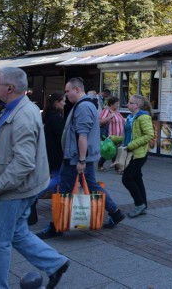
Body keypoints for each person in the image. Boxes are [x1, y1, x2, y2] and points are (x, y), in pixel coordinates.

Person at [0, 67, 70, 288]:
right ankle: (55, 263)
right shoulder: (18, 108)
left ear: (9, 88)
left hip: (15, 189)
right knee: (17, 232)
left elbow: (24, 162)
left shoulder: (23, 114)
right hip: (22, 186)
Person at [38, 78, 125, 239]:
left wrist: (81, 160)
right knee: (91, 185)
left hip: (75, 158)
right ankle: (115, 212)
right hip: (79, 157)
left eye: (67, 90)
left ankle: (57, 226)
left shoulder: (83, 107)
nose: (66, 94)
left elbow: (82, 135)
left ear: (77, 89)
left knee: (65, 189)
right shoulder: (84, 105)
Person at [111, 94, 153, 218]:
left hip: (138, 154)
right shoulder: (130, 117)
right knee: (137, 178)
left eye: (130, 102)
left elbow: (149, 135)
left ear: (137, 105)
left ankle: (139, 204)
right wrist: (113, 138)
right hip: (130, 153)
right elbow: (127, 137)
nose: (128, 104)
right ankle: (143, 205)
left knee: (127, 178)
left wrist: (131, 146)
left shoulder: (143, 117)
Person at [28, 92, 66, 226]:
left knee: (58, 178)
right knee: (58, 178)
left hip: (51, 153)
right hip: (56, 154)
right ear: (57, 102)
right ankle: (34, 196)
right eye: (63, 101)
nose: (64, 103)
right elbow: (62, 138)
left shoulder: (49, 116)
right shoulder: (56, 118)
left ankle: (59, 203)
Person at [97, 96, 125, 172]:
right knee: (112, 151)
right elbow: (100, 121)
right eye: (116, 104)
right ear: (111, 104)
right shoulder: (107, 111)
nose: (118, 105)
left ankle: (100, 165)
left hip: (118, 136)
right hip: (110, 136)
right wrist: (110, 116)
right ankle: (117, 168)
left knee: (110, 151)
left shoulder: (117, 112)